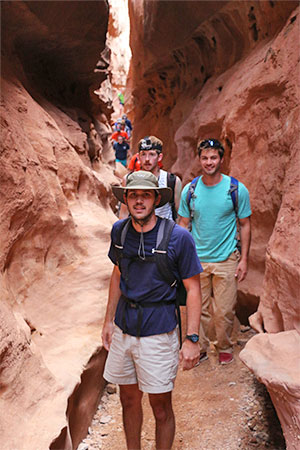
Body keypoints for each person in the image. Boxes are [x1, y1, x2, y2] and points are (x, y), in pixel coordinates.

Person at [102, 170, 202, 450]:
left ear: (156, 199)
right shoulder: (119, 232)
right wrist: (108, 321)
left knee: (160, 406)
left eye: (145, 195)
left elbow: (193, 289)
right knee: (129, 399)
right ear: (126, 199)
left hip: (159, 330)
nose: (139, 201)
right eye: (133, 195)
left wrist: (192, 339)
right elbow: (117, 275)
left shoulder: (178, 238)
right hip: (124, 327)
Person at [178, 138, 251, 365]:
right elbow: (183, 223)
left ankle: (225, 345)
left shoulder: (236, 189)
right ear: (199, 160)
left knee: (224, 310)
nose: (209, 162)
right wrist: (183, 255)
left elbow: (245, 224)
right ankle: (198, 346)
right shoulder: (191, 190)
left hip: (227, 258)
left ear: (221, 159)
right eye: (205, 158)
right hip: (197, 259)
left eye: (213, 157)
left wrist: (244, 259)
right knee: (199, 309)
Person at [119, 135, 182, 221]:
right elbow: (124, 212)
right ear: (138, 157)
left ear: (159, 157)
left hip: (165, 231)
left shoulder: (172, 181)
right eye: (143, 154)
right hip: (137, 231)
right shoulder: (129, 180)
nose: (147, 159)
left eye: (152, 154)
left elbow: (180, 214)